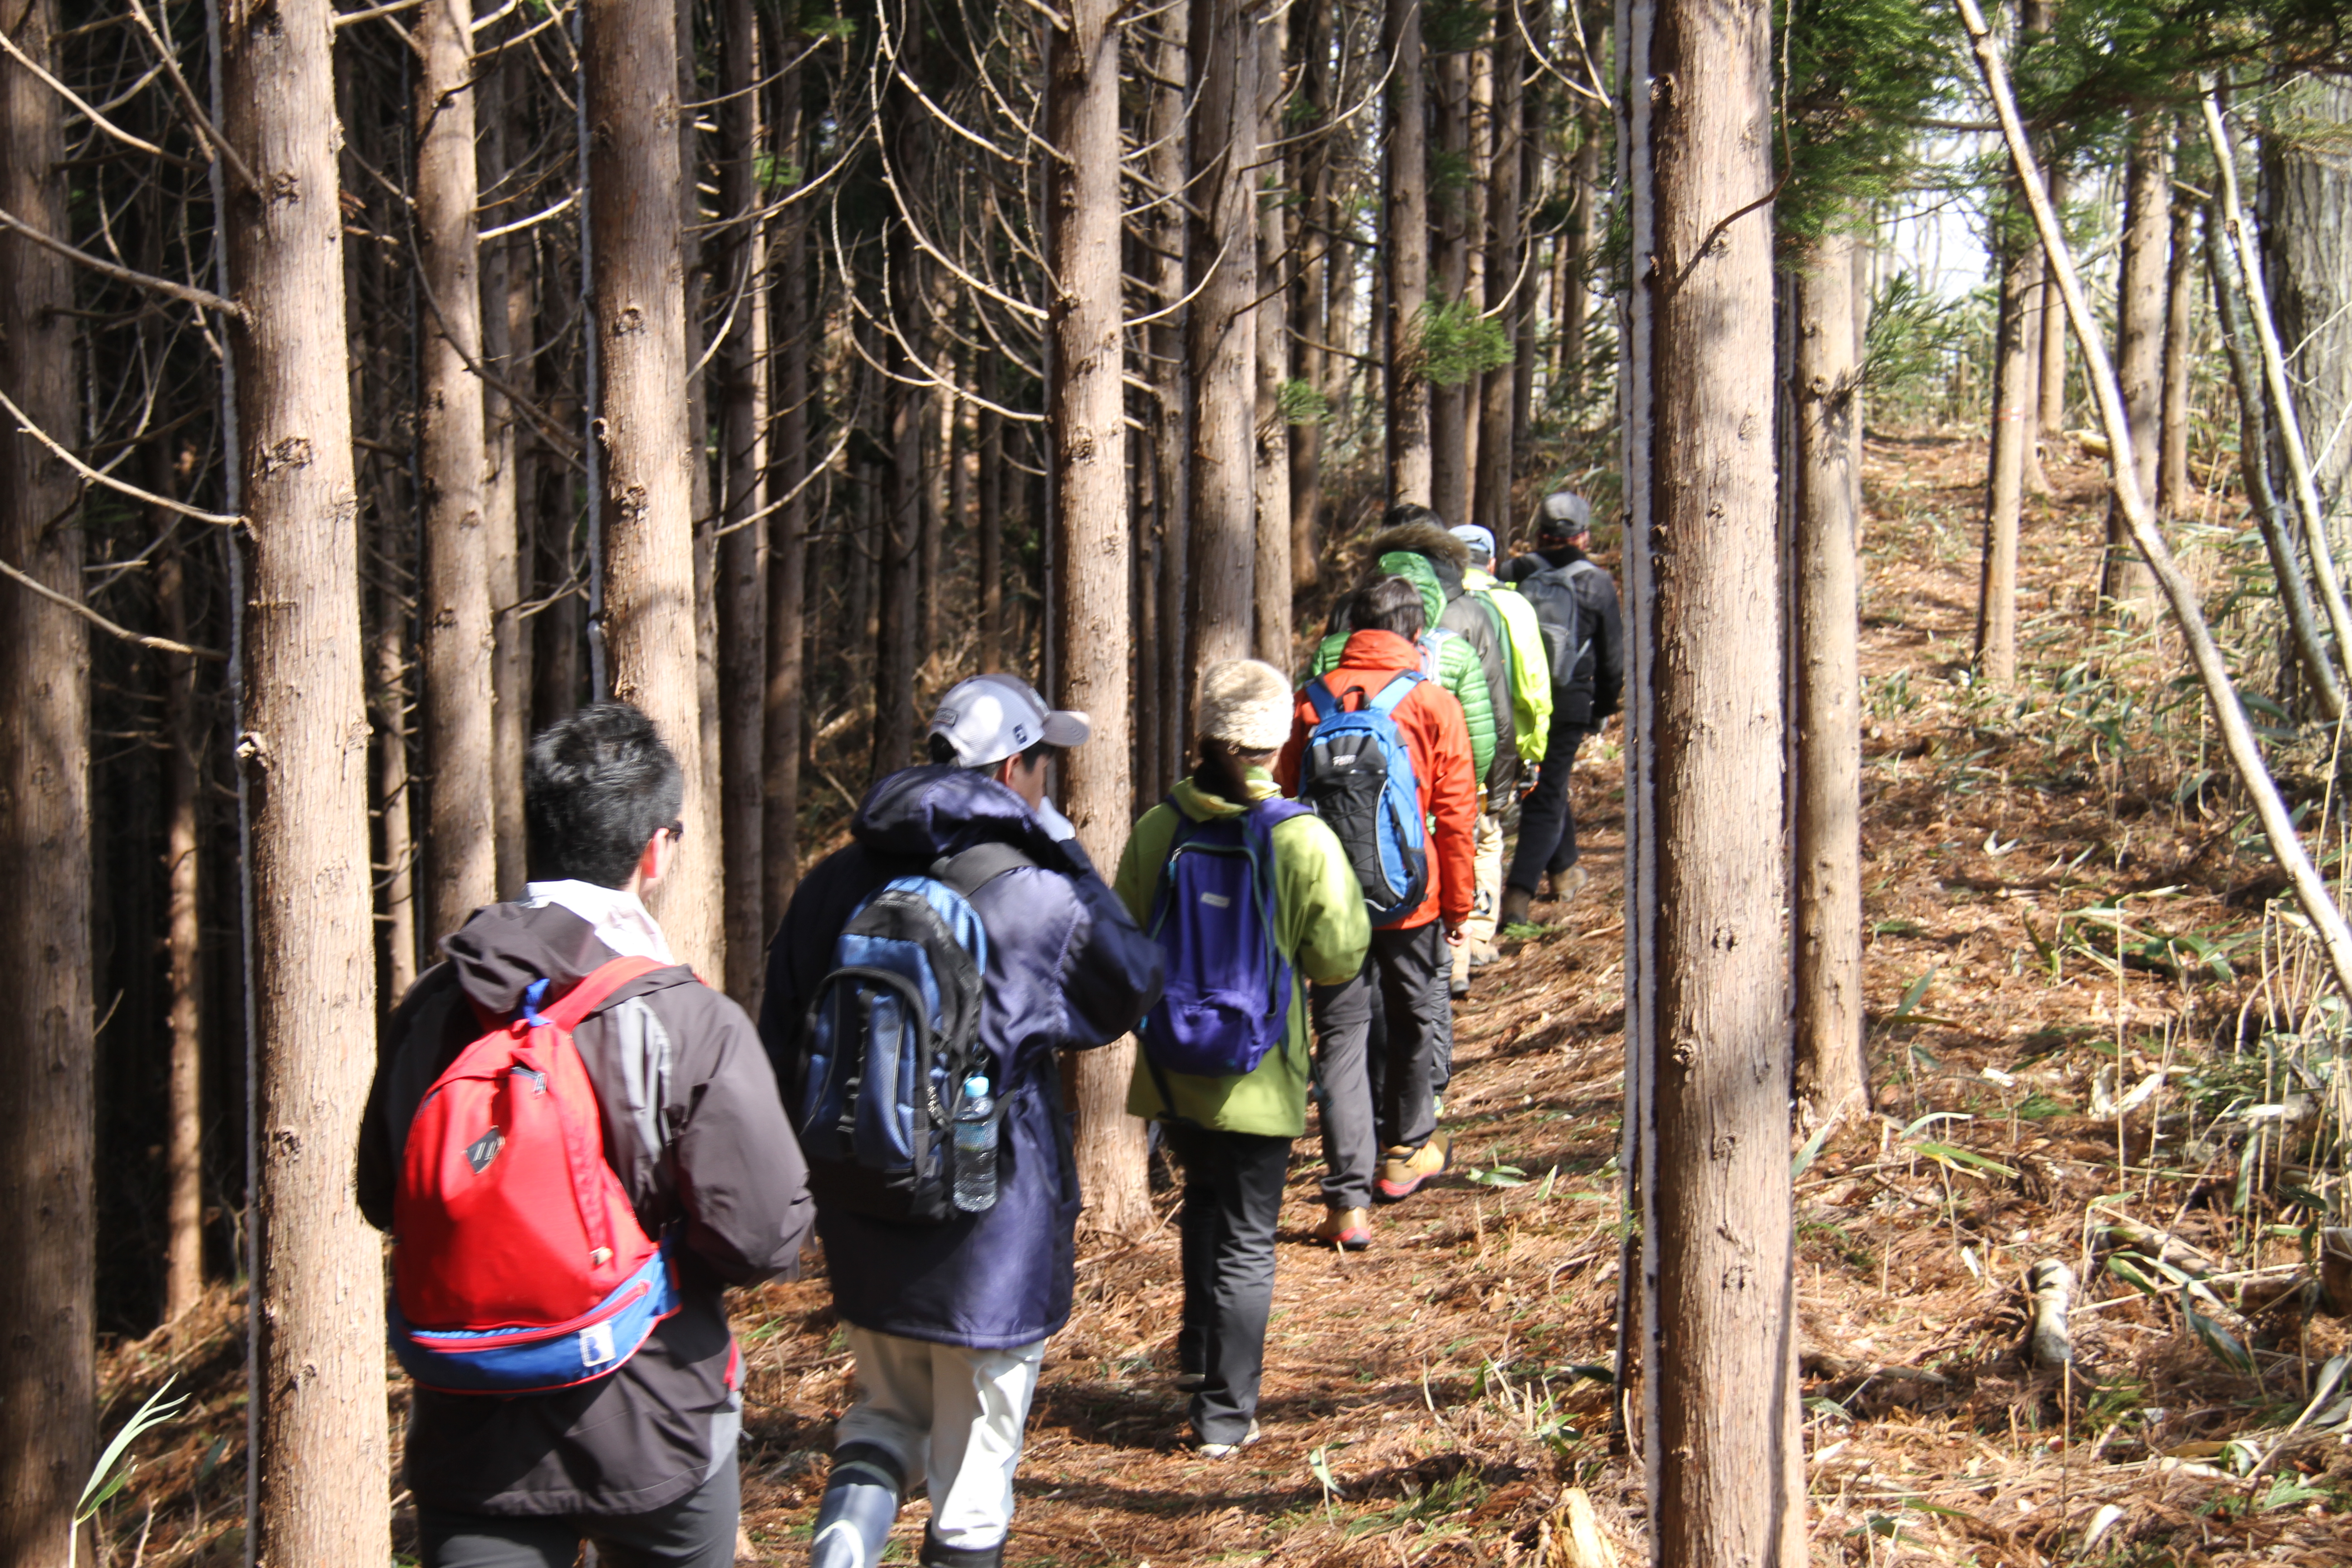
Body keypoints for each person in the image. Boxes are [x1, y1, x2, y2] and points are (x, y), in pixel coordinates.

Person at [359, 701, 814, 1568]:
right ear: (655, 847)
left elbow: (385, 1194)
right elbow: (761, 1235)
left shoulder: (437, 1004)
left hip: (469, 1425)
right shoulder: (689, 1019)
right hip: (656, 1422)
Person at [760, 674, 1163, 1568]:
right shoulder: (1037, 897)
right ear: (1016, 768)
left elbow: (783, 1039)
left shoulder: (834, 880)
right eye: (1045, 767)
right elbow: (1133, 981)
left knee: (881, 1420)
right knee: (974, 1478)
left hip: (864, 1213)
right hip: (993, 1239)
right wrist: (1066, 855)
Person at [1119, 660, 1371, 1454]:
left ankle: (1196, 1365)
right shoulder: (1300, 837)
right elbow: (1337, 957)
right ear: (1278, 740)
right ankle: (1225, 1417)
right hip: (1259, 1073)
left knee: (1200, 1203)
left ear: (1204, 736)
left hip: (1173, 1068)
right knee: (1245, 1238)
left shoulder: (1160, 828)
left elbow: (1126, 937)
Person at [1280, 578, 1479, 1249]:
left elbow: (1285, 799)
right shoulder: (1431, 701)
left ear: (1352, 628)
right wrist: (1457, 903)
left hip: (1328, 901)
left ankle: (1347, 1202)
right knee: (1414, 1019)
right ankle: (1406, 1152)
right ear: (1416, 635)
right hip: (1410, 899)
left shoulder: (1310, 703)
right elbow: (1454, 816)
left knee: (1339, 1037)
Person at [1499, 492, 1626, 925]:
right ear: (1584, 537)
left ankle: (1566, 872)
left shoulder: (1514, 572)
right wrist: (1603, 707)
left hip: (1518, 700)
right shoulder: (1597, 582)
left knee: (1547, 786)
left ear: (1539, 534)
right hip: (1570, 700)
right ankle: (1517, 898)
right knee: (1546, 793)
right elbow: (1612, 659)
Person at [1446, 521, 1553, 992]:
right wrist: (1531, 751)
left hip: (1448, 747)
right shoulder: (1513, 605)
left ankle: (1450, 942)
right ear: (1491, 561)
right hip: (1497, 750)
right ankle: (1479, 936)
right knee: (1487, 840)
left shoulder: (1436, 603)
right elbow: (1532, 688)